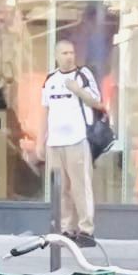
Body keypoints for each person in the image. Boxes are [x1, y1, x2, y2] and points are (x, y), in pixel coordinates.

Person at [41, 39, 102, 245]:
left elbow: (96, 102)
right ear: (56, 56)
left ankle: (86, 230)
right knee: (61, 189)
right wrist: (42, 140)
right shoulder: (50, 80)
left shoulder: (83, 75)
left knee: (80, 185)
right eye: (65, 53)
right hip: (55, 142)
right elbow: (45, 110)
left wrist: (78, 90)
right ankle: (66, 229)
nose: (69, 57)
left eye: (72, 53)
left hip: (77, 139)